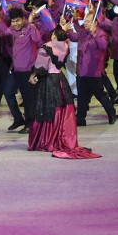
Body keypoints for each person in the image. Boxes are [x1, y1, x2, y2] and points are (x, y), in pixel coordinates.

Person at [27, 29, 101, 158]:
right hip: (60, 79)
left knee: (46, 109)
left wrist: (33, 75)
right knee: (62, 108)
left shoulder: (46, 48)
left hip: (48, 81)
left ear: (54, 36)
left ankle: (47, 140)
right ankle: (61, 137)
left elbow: (41, 68)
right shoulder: (65, 46)